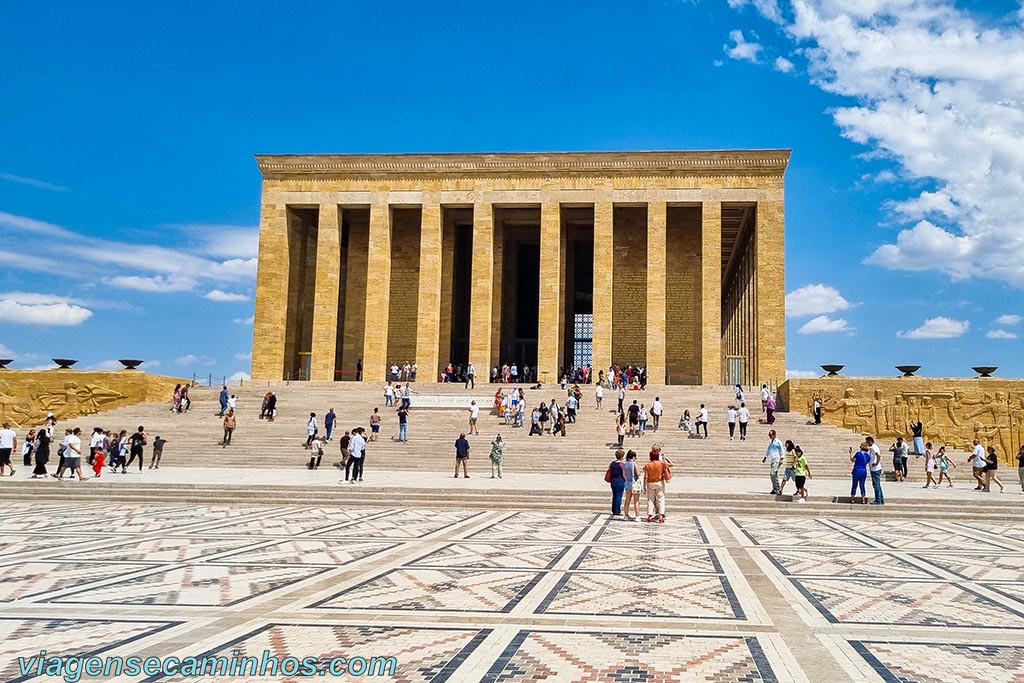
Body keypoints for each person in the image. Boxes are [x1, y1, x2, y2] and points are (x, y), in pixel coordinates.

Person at [643, 451, 668, 523]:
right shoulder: (662, 464)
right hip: (659, 482)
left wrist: (644, 486)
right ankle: (660, 515)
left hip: (650, 483)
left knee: (650, 499)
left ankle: (650, 515)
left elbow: (646, 477)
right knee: (660, 499)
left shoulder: (648, 465)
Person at [621, 450, 642, 521]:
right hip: (635, 483)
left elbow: (624, 475)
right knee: (636, 500)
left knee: (627, 500)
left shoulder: (625, 464)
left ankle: (626, 515)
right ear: (633, 457)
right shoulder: (634, 464)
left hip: (628, 482)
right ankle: (637, 516)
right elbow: (638, 473)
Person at [606, 449, 626, 516]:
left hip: (613, 481)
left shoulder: (612, 463)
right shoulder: (622, 464)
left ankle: (614, 510)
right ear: (621, 456)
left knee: (614, 495)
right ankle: (617, 511)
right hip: (620, 481)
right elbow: (624, 474)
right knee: (619, 496)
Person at [763, 430, 783, 495]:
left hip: (777, 459)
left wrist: (782, 458)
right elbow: (768, 450)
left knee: (772, 473)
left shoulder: (778, 442)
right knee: (775, 475)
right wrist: (765, 457)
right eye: (769, 435)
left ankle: (777, 488)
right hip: (772, 460)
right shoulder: (771, 443)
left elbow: (782, 450)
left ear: (774, 435)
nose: (769, 436)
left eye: (770, 435)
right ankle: (775, 488)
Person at [866, 436, 884, 505]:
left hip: (875, 469)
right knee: (878, 484)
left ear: (870, 441)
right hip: (875, 469)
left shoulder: (873, 448)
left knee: (876, 485)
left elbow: (878, 455)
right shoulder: (873, 447)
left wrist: (876, 463)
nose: (867, 443)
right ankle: (881, 499)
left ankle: (878, 500)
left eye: (867, 442)